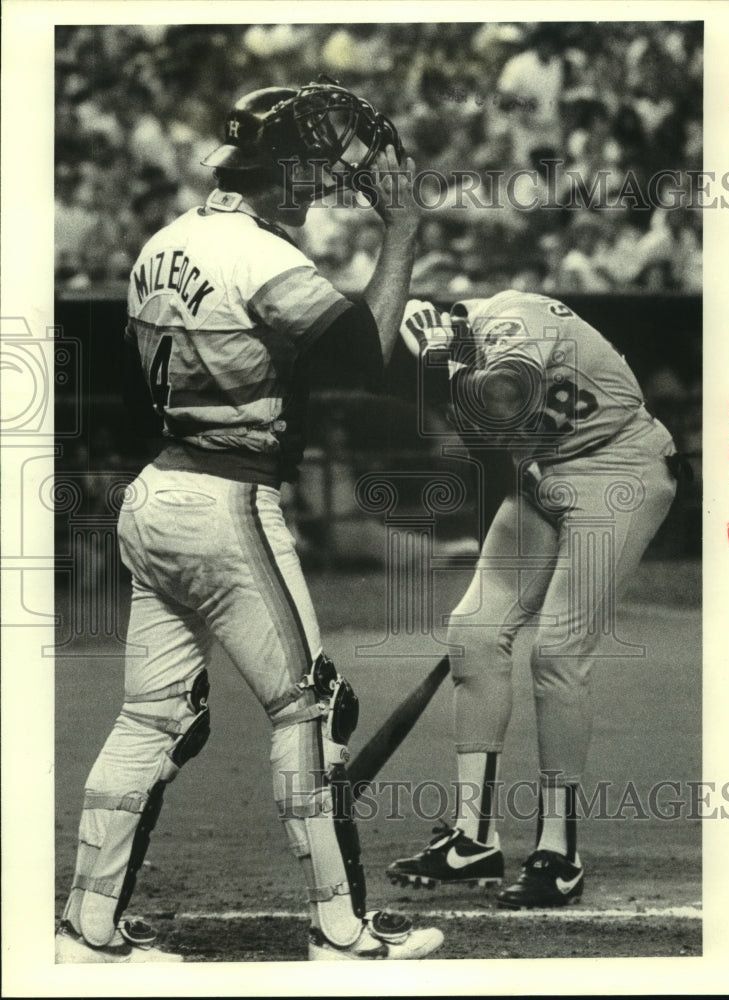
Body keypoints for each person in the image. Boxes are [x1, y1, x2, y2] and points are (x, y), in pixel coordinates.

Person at [55, 81, 444, 962]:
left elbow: (137, 390)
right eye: (311, 166)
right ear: (277, 172)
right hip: (228, 501)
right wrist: (405, 232)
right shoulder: (263, 260)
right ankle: (340, 931)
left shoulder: (162, 244)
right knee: (311, 709)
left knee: (151, 720)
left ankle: (87, 924)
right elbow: (369, 359)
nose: (323, 181)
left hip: (154, 495)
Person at [388, 290, 687, 907]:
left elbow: (501, 397)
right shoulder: (466, 352)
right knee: (473, 631)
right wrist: (448, 369)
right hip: (548, 470)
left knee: (557, 654)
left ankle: (560, 851)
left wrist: (447, 359)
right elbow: (490, 442)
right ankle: (472, 840)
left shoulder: (514, 316)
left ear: (454, 317)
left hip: (620, 468)